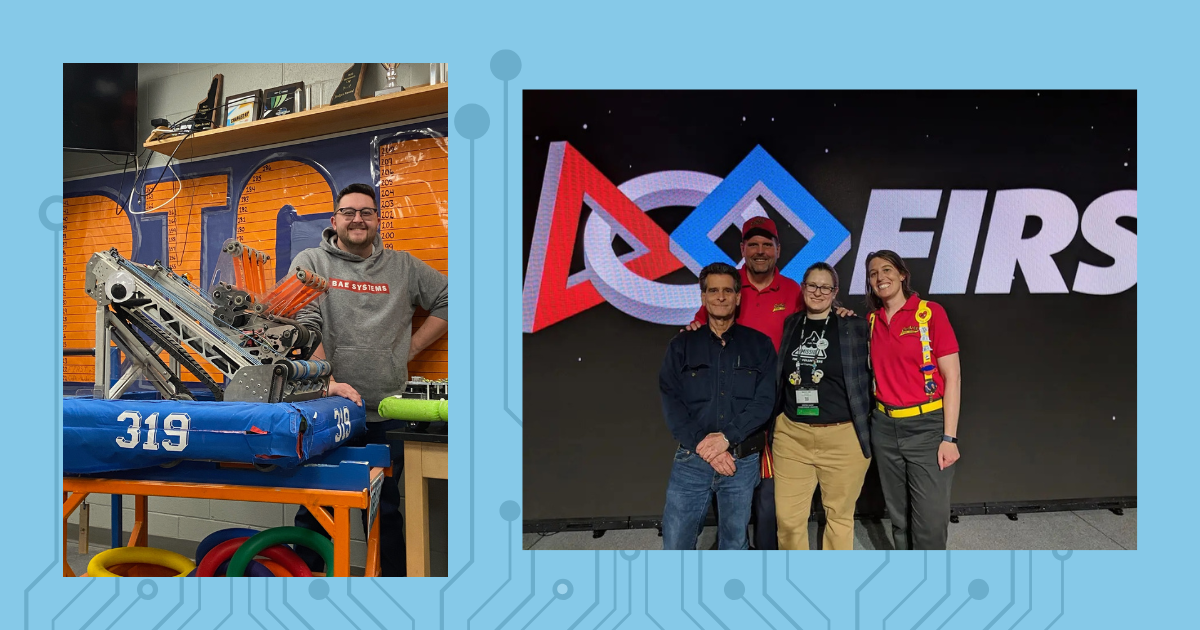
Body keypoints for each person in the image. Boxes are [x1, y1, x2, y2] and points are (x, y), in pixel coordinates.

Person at [292, 183, 449, 576]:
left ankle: (393, 594)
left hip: (387, 411)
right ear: (334, 220)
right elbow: (303, 324)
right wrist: (328, 381)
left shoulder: (403, 266)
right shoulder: (312, 261)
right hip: (329, 413)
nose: (357, 219)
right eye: (348, 212)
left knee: (387, 512)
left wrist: (409, 349)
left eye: (366, 212)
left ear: (378, 219)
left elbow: (451, 297)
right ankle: (302, 590)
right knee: (316, 509)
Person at [660, 262, 777, 550]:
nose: (721, 297)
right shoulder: (682, 345)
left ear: (738, 297)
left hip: (741, 461)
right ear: (703, 297)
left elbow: (765, 402)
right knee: (676, 543)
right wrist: (705, 445)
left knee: (734, 544)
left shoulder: (760, 345)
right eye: (713, 290)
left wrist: (726, 438)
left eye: (727, 290)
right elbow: (671, 401)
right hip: (692, 459)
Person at [772, 262, 873, 550]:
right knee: (788, 520)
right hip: (793, 437)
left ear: (835, 291)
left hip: (843, 438)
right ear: (803, 288)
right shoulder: (791, 324)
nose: (818, 292)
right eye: (812, 285)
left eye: (825, 287)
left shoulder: (854, 326)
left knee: (839, 517)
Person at [865, 249, 961, 550]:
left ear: (902, 274)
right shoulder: (871, 322)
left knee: (930, 522)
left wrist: (949, 437)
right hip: (884, 427)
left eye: (886, 270)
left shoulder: (930, 313)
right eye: (873, 273)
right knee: (900, 519)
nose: (881, 277)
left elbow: (953, 378)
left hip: (927, 428)